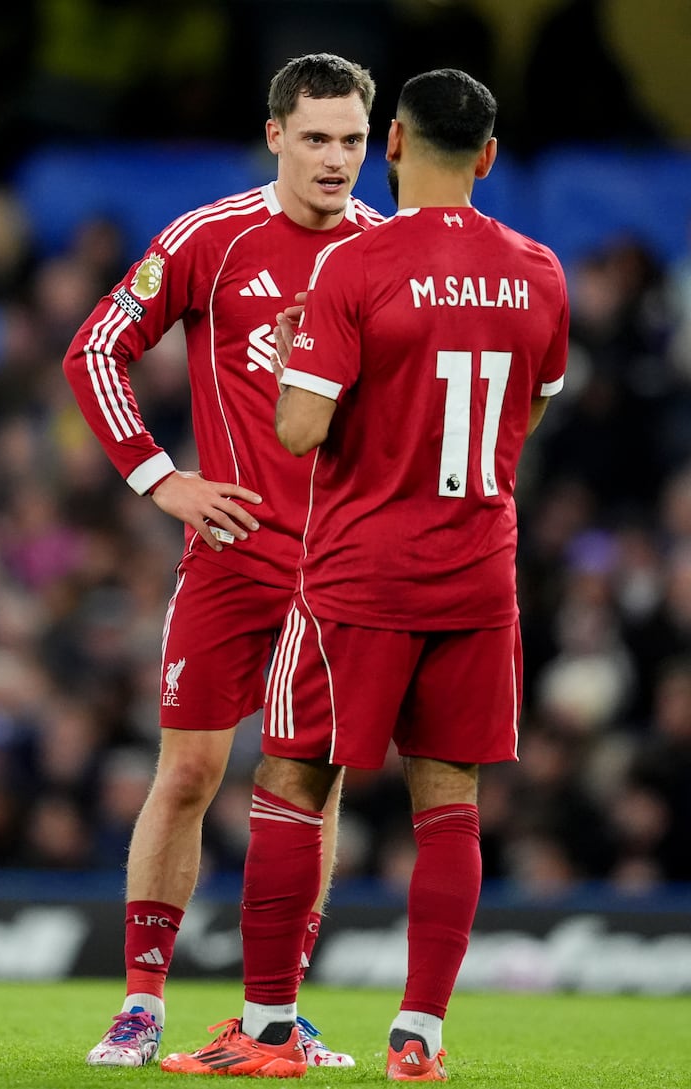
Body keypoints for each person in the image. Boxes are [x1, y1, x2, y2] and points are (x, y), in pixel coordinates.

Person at [161, 68, 570, 1080]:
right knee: (450, 803)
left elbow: (299, 430)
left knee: (293, 778)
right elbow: (526, 413)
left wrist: (300, 364)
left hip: (359, 575)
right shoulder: (540, 271)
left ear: (389, 143)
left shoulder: (357, 262)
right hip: (479, 575)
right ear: (487, 156)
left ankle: (266, 1034)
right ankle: (418, 1038)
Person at [62, 53, 386, 1067]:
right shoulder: (211, 237)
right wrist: (162, 479)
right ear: (275, 135)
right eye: (317, 137)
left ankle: (276, 1016)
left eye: (352, 140)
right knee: (190, 772)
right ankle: (141, 1003)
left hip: (337, 570)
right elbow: (95, 348)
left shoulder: (383, 252)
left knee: (308, 788)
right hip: (232, 557)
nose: (336, 158)